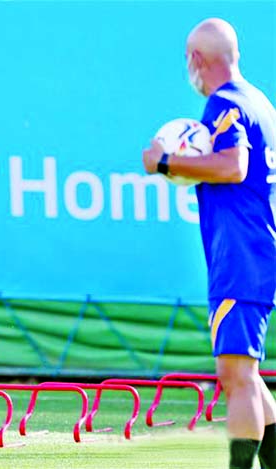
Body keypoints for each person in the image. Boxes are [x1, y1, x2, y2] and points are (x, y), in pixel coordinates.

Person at [142, 18, 276, 469]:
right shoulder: (259, 100)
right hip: (255, 250)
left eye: (187, 58)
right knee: (248, 375)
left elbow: (233, 166)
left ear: (197, 60)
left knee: (234, 374)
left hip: (240, 255)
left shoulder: (225, 103)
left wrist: (163, 161)